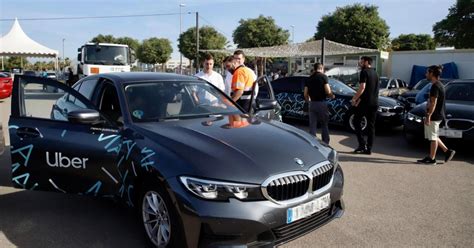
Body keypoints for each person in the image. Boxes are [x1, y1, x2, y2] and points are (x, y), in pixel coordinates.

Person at [417, 65, 455, 165]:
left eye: (427, 73)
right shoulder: (439, 85)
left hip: (435, 115)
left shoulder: (435, 86)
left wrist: (429, 115)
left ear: (432, 74)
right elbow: (431, 101)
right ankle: (447, 151)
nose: (426, 74)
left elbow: (433, 103)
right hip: (437, 114)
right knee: (434, 135)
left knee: (433, 137)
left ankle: (432, 159)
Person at [351, 56, 379, 155]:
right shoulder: (375, 73)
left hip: (365, 104)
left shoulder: (364, 72)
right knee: (371, 126)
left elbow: (362, 88)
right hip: (374, 103)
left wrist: (354, 98)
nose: (360, 63)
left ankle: (362, 145)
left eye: (362, 62)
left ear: (367, 62)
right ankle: (369, 148)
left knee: (356, 121)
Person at [304, 63, 335, 144]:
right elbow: (328, 91)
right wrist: (332, 96)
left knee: (312, 126)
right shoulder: (324, 77)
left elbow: (305, 93)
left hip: (312, 104)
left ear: (314, 69)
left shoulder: (309, 78)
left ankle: (312, 143)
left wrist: (308, 101)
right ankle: (325, 143)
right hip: (322, 103)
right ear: (321, 68)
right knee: (324, 124)